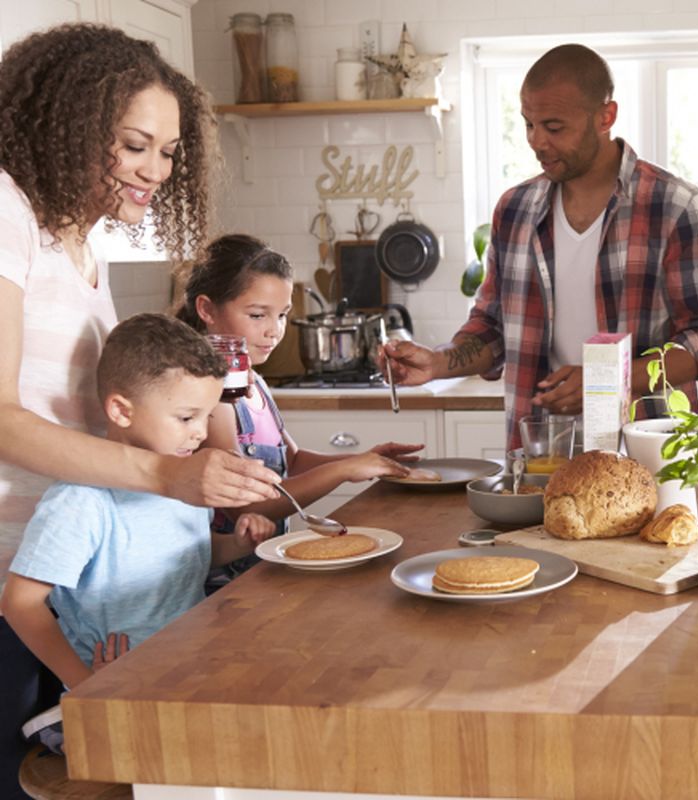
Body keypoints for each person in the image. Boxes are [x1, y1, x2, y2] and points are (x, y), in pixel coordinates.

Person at [0, 23, 278, 797]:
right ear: (69, 124)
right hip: (18, 588)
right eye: (134, 144)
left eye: (167, 152)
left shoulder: (81, 245)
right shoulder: (6, 212)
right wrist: (165, 472)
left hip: (76, 587)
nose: (154, 169)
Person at [380, 43, 698, 450]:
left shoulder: (676, 206)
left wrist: (609, 378)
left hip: (649, 457)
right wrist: (439, 362)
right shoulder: (515, 209)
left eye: (554, 127)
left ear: (606, 117)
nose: (537, 141)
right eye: (528, 124)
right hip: (542, 455)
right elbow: (493, 327)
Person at [0, 314, 278, 753]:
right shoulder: (82, 501)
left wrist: (239, 543)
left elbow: (189, 559)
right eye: (187, 417)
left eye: (207, 415)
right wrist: (89, 685)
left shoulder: (183, 481)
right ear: (121, 410)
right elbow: (19, 601)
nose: (202, 432)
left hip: (187, 674)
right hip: (120, 697)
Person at [177, 234, 424, 585]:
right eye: (258, 315)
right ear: (206, 309)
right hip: (223, 584)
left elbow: (290, 461)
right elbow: (248, 509)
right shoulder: (212, 401)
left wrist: (361, 459)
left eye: (282, 315)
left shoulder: (254, 383)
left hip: (260, 569)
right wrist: (344, 471)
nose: (274, 331)